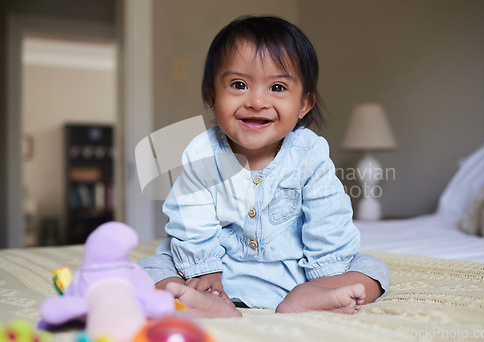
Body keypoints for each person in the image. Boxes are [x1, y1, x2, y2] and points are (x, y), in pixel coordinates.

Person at [139, 15, 390, 318]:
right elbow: (189, 220)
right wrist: (205, 270)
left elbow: (329, 221)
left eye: (278, 87)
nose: (257, 101)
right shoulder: (202, 153)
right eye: (239, 84)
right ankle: (210, 304)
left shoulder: (309, 154)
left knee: (373, 269)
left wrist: (326, 275)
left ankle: (311, 297)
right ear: (211, 97)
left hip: (298, 272)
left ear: (304, 105)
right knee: (151, 267)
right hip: (217, 276)